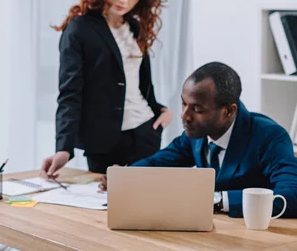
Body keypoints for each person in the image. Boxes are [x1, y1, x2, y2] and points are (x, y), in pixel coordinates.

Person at [100, 62, 297, 218]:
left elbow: (291, 196)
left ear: (228, 111)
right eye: (183, 104)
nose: (184, 115)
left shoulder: (269, 137)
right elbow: (157, 162)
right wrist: (124, 176)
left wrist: (218, 201)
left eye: (196, 109)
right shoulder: (196, 134)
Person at [41, 0, 172, 177]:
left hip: (145, 133)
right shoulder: (79, 29)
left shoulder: (135, 28)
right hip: (104, 143)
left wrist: (160, 111)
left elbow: (139, 84)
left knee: (146, 207)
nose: (124, 0)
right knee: (105, 209)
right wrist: (64, 147)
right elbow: (70, 93)